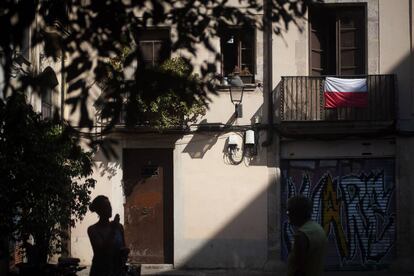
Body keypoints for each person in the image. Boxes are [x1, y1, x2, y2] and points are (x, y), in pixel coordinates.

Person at [286, 196, 328, 276]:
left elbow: (299, 269)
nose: (288, 215)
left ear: (296, 213)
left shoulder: (301, 236)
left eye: (288, 212)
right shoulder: (318, 229)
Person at [88, 195, 129, 276]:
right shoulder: (93, 229)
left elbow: (123, 246)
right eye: (106, 206)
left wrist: (125, 252)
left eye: (110, 205)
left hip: (118, 271)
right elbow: (100, 252)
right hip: (100, 271)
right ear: (99, 210)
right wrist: (113, 230)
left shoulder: (119, 227)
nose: (110, 208)